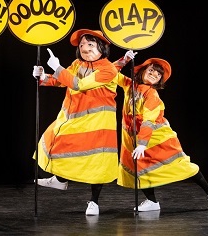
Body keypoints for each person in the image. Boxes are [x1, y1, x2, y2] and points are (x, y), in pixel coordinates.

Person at [32, 29, 135, 216]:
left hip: (98, 123)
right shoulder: (77, 63)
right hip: (74, 118)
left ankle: (94, 202)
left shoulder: (108, 69)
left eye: (90, 44)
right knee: (56, 141)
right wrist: (43, 76)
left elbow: (79, 84)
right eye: (81, 45)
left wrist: (57, 67)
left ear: (101, 48)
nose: (84, 48)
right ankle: (61, 180)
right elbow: (62, 81)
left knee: (97, 161)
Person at [115, 56, 208, 212]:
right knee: (140, 169)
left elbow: (149, 120)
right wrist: (124, 60)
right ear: (142, 70)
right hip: (134, 136)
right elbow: (110, 74)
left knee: (181, 166)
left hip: (156, 138)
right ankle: (152, 201)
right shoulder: (129, 85)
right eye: (151, 70)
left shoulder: (152, 95)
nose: (154, 74)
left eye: (158, 75)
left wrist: (142, 144)